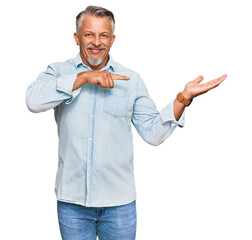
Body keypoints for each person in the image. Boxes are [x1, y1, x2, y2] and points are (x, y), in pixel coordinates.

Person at [26, 5, 226, 240]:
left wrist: (183, 98)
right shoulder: (58, 72)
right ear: (76, 38)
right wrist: (82, 78)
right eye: (89, 34)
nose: (96, 42)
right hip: (72, 204)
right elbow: (33, 101)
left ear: (112, 40)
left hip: (119, 205)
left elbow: (153, 133)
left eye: (104, 35)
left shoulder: (130, 80)